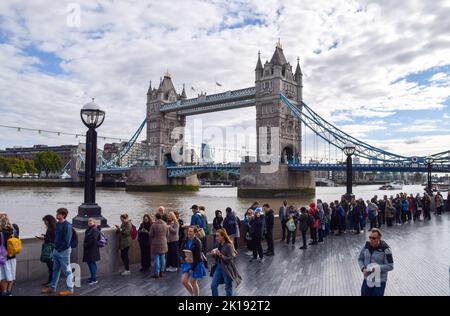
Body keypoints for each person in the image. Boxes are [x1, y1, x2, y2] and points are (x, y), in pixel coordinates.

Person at [42, 208, 74, 296]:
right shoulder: (57, 224)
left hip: (63, 251)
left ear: (63, 215)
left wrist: (58, 248)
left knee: (67, 271)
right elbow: (56, 237)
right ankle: (52, 287)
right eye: (57, 213)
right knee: (55, 269)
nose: (56, 215)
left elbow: (67, 241)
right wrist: (55, 248)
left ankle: (70, 289)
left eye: (58, 213)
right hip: (56, 250)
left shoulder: (67, 225)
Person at [358, 228, 394, 296]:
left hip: (379, 281)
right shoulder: (366, 247)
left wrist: (377, 268)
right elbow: (360, 259)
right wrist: (363, 268)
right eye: (370, 237)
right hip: (368, 279)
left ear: (379, 239)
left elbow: (390, 266)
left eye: (374, 238)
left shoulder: (386, 249)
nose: (371, 240)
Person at [210, 229, 242, 296]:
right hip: (219, 267)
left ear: (223, 236)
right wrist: (214, 254)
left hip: (227, 269)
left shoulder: (228, 245)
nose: (216, 238)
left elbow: (230, 259)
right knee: (213, 286)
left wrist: (220, 254)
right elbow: (217, 258)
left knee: (228, 288)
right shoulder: (218, 244)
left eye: (218, 236)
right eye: (216, 236)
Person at [181, 226, 207, 296]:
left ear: (195, 233)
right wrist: (184, 258)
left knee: (193, 282)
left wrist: (192, 268)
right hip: (187, 263)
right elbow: (181, 250)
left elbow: (198, 257)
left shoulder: (197, 242)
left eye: (190, 231)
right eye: (188, 231)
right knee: (184, 281)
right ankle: (193, 294)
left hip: (196, 264)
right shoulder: (185, 239)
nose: (188, 233)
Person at [0, 214, 19, 296]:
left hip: (2, 258)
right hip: (12, 256)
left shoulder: (1, 233)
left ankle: (4, 292)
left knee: (3, 276)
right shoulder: (14, 230)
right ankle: (9, 292)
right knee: (11, 274)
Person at [36, 215, 56, 287]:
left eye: (45, 221)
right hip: (52, 250)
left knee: (51, 267)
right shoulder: (53, 228)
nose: (45, 223)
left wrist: (43, 238)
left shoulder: (52, 229)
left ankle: (51, 282)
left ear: (49, 221)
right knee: (51, 267)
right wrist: (45, 236)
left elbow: (52, 239)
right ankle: (51, 282)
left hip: (50, 250)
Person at [149, 212, 169, 278]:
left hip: (156, 243)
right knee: (163, 258)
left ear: (156, 217)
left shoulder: (154, 225)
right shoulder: (165, 224)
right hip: (163, 242)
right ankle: (162, 272)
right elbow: (167, 234)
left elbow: (151, 234)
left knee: (156, 258)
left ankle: (156, 273)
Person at [83, 218, 101, 285]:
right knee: (92, 263)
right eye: (88, 221)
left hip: (92, 250)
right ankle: (93, 277)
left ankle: (94, 279)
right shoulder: (91, 229)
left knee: (91, 264)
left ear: (94, 222)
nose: (89, 222)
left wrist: (86, 245)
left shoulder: (94, 229)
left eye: (91, 221)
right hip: (91, 250)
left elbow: (94, 240)